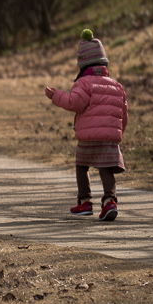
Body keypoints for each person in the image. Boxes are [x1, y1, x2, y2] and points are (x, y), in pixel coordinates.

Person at [44, 29, 129, 222]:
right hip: (109, 139)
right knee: (106, 168)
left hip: (88, 138)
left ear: (82, 63)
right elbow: (123, 115)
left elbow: (75, 104)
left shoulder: (83, 83)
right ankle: (110, 201)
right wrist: (117, 133)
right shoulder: (117, 86)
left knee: (82, 165)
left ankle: (85, 201)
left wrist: (56, 95)